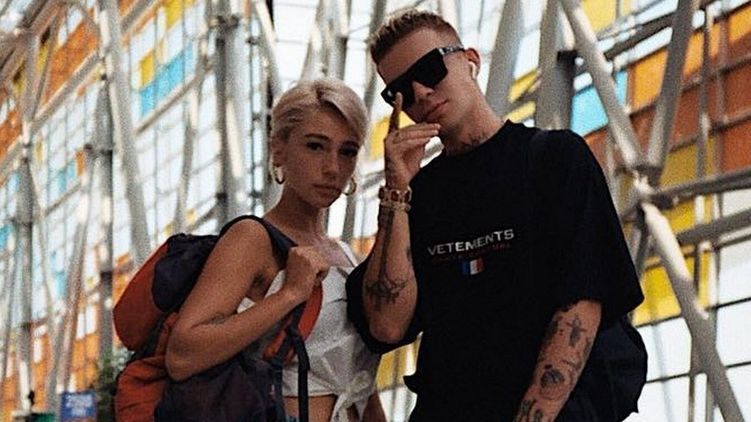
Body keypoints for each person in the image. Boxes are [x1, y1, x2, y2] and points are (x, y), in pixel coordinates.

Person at [346, 10, 647, 421]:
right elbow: (387, 326)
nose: (421, 92)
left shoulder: (555, 159)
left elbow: (581, 302)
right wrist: (396, 193)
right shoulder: (416, 197)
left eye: (431, 70)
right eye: (399, 92)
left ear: (470, 61)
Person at [166, 78, 386, 422]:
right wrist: (289, 294)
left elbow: (360, 383)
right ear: (278, 149)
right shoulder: (252, 238)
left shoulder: (345, 254)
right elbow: (182, 356)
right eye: (315, 146)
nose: (332, 168)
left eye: (347, 151)